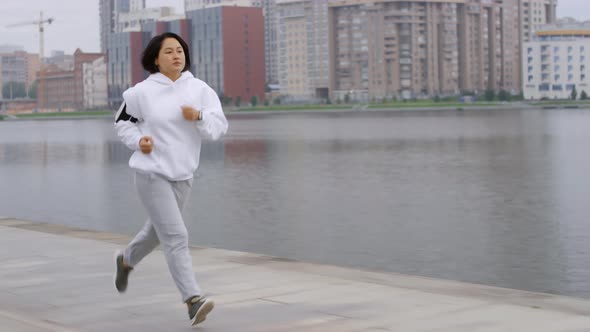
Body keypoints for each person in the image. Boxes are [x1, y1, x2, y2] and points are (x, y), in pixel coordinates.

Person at [113, 32, 228, 327]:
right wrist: (140, 142)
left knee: (156, 233)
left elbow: (218, 127)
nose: (176, 55)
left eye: (180, 50)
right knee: (176, 236)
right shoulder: (141, 93)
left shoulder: (200, 89)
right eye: (169, 52)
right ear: (155, 59)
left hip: (183, 173)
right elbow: (123, 123)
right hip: (150, 173)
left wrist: (199, 115)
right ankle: (193, 300)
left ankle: (126, 260)